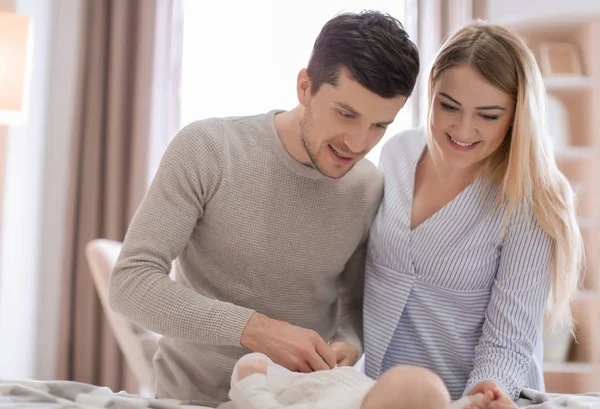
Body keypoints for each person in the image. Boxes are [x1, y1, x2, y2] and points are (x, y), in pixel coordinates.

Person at [109, 9, 420, 407]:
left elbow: (353, 304)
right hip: (189, 400)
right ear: (305, 87)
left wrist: (348, 342)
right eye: (346, 114)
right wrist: (254, 329)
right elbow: (130, 284)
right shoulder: (208, 149)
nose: (358, 143)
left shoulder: (368, 186)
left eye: (380, 126)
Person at [363, 20, 583, 406]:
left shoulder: (528, 199)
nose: (463, 128)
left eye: (488, 115)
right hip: (382, 395)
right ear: (431, 91)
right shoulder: (395, 154)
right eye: (449, 106)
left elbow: (509, 340)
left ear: (516, 115)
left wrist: (480, 396)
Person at [221, 353, 498, 409]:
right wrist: (474, 402)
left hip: (295, 391)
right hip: (331, 376)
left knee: (253, 363)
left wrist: (251, 384)